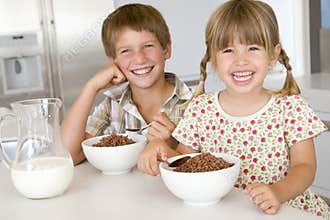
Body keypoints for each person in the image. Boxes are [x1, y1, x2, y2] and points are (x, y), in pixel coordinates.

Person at [137, 0, 330, 218]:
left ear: (273, 55)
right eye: (228, 50)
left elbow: (305, 167)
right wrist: (161, 150)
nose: (241, 60)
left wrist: (278, 191)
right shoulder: (201, 109)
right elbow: (186, 162)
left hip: (287, 210)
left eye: (253, 48)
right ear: (214, 58)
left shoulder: (291, 108)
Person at [61, 3, 192, 165]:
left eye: (148, 46)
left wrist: (173, 147)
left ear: (166, 49)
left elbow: (206, 169)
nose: (139, 58)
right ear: (113, 60)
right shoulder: (112, 105)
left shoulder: (194, 104)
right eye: (126, 50)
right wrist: (91, 87)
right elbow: (67, 156)